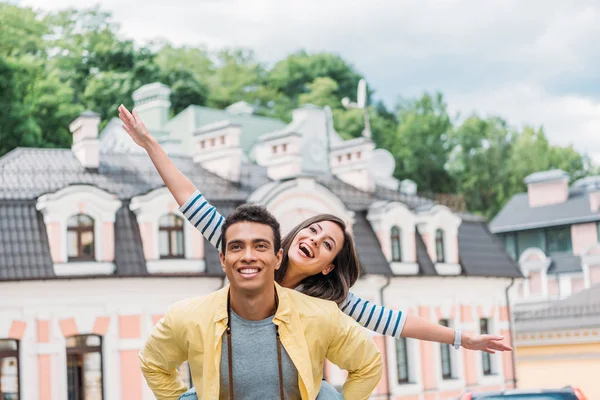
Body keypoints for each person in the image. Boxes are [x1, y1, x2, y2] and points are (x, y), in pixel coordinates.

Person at [119, 104, 511, 396]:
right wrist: (148, 143)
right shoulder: (249, 250)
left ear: (327, 266)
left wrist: (462, 338)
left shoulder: (328, 302)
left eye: (327, 245)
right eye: (312, 230)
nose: (314, 241)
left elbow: (396, 322)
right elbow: (189, 198)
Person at [140, 204, 383, 400]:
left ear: (277, 257)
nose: (248, 256)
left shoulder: (321, 314)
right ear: (223, 259)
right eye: (237, 247)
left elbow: (368, 364)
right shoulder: (186, 316)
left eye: (260, 246)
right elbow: (153, 364)